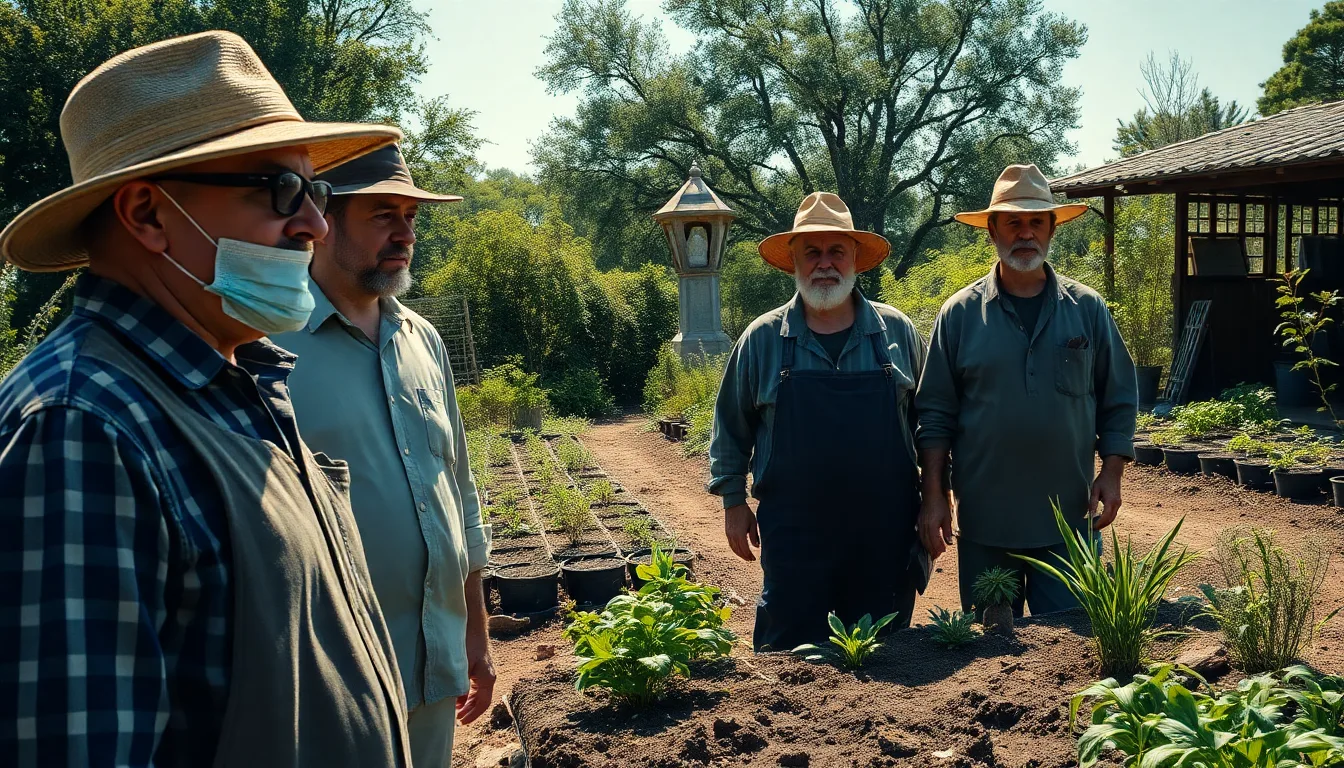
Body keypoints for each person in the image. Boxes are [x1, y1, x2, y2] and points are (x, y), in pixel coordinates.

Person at [0, 32, 412, 767]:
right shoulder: (81, 428)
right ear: (148, 215)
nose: (315, 224)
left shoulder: (230, 377)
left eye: (315, 191)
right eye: (280, 190)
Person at [270, 144, 492, 767]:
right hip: (330, 671)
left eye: (411, 217)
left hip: (432, 658)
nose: (404, 233)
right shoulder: (268, 345)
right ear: (324, 218)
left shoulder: (422, 340)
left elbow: (458, 492)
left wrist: (475, 634)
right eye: (382, 215)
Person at [915, 163, 1138, 618]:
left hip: (1069, 520)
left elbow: (1118, 398)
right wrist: (934, 496)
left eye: (1036, 222)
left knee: (1073, 645)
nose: (1025, 233)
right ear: (992, 231)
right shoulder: (959, 315)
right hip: (986, 523)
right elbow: (934, 415)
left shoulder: (1087, 310)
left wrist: (1111, 473)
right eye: (1013, 222)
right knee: (992, 656)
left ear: (1052, 229)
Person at [709, 192, 927, 651]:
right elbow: (731, 427)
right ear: (793, 261)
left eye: (835, 251)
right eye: (811, 251)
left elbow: (930, 429)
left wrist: (935, 501)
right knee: (788, 662)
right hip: (795, 534)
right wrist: (733, 502)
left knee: (886, 659)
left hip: (884, 533)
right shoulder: (763, 339)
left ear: (855, 260)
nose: (824, 263)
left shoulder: (896, 334)